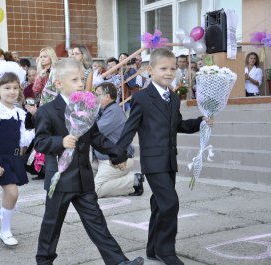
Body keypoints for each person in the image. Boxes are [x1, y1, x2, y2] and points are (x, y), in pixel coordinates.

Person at [34, 58, 144, 265]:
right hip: (61, 180)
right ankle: (44, 261)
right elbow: (40, 142)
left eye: (81, 79)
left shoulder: (84, 107)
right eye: (74, 79)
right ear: (59, 83)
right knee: (52, 224)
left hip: (84, 179)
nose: (80, 84)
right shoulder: (47, 111)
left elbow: (96, 137)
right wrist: (60, 141)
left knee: (97, 222)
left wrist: (118, 154)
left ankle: (118, 261)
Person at [117, 48, 213, 265]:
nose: (169, 72)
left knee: (160, 204)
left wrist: (201, 121)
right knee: (170, 202)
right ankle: (165, 250)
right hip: (152, 161)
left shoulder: (173, 98)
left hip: (169, 160)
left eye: (172, 68)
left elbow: (178, 125)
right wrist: (120, 154)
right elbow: (129, 129)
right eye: (163, 68)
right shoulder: (141, 97)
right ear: (150, 70)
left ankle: (153, 248)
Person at [0, 63, 34, 246]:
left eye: (15, 88)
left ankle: (5, 223)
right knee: (12, 193)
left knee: (12, 195)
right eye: (7, 88)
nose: (12, 92)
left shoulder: (20, 113)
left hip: (15, 158)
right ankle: (5, 230)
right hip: (1, 158)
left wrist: (39, 128)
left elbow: (22, 140)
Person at [92, 82, 143, 198]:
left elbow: (94, 132)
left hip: (116, 160)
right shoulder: (103, 110)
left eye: (97, 95)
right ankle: (121, 178)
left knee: (94, 191)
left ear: (107, 96)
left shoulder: (114, 111)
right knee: (82, 182)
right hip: (102, 159)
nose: (95, 98)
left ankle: (133, 181)